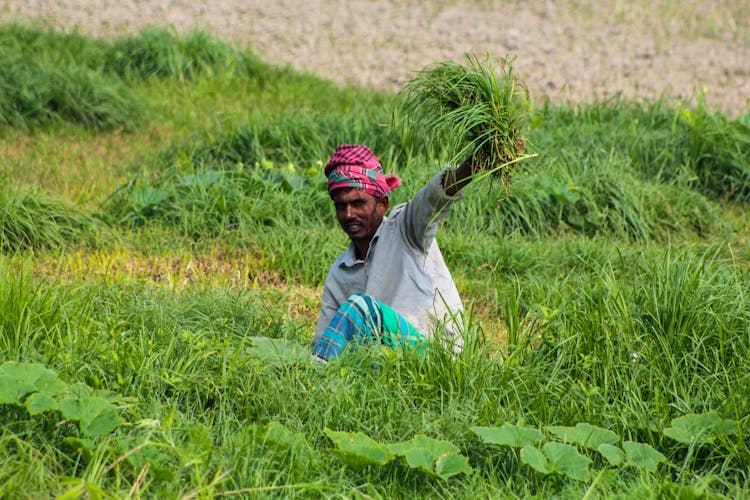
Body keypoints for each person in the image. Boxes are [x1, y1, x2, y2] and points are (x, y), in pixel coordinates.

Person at [311, 144, 477, 361]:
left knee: (360, 307)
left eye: (358, 203)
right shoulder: (339, 272)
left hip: (436, 358)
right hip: (389, 363)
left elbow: (435, 197)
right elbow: (323, 342)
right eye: (341, 206)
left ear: (382, 204)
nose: (349, 214)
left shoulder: (406, 228)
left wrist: (474, 164)